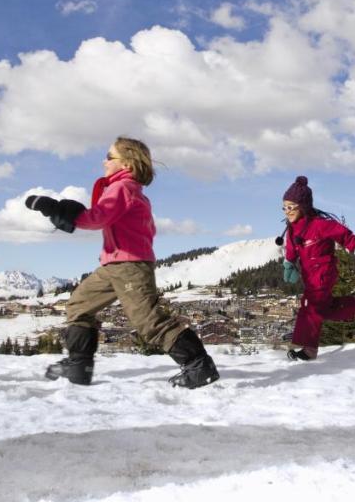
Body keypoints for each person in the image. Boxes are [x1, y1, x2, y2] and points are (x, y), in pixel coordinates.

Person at [25, 136, 219, 388]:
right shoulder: (124, 189)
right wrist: (63, 212)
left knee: (149, 321)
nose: (104, 161)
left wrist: (57, 208)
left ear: (127, 163)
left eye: (109, 157)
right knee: (79, 305)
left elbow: (97, 218)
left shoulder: (123, 188)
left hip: (130, 266)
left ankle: (199, 366)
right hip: (114, 265)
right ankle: (78, 366)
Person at [280, 176, 355, 360]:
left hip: (324, 274)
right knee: (324, 310)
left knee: (311, 308)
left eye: (291, 207)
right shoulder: (292, 230)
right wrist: (289, 264)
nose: (287, 211)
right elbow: (291, 249)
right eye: (284, 207)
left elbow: (343, 235)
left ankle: (309, 351)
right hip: (310, 277)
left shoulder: (320, 225)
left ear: (303, 206)